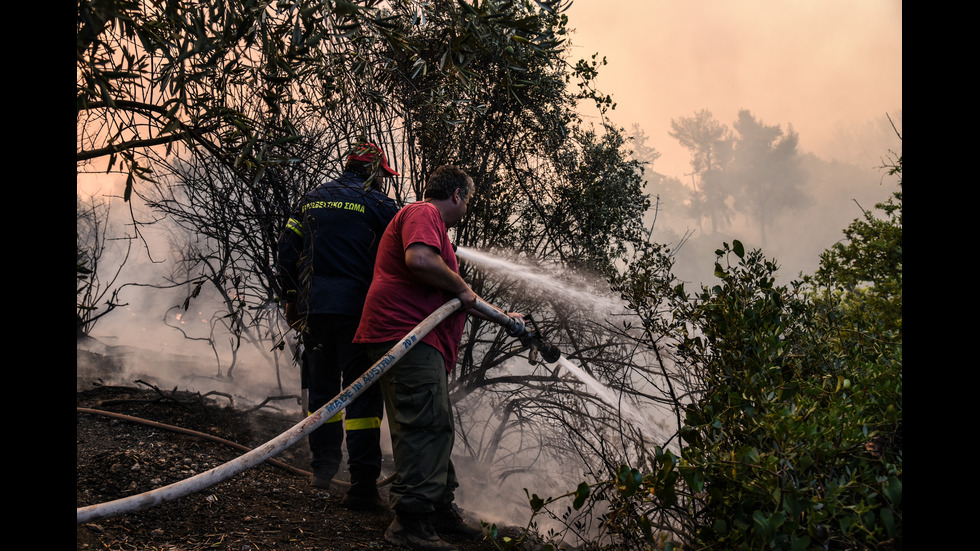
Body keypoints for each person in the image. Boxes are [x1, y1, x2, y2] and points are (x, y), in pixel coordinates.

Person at [353, 165, 524, 551]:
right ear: (458, 196)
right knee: (424, 425)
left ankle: (438, 510)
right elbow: (420, 262)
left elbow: (456, 300)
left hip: (416, 340)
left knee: (437, 424)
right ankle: (410, 524)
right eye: (469, 200)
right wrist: (463, 288)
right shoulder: (423, 213)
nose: (468, 208)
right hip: (406, 336)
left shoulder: (435, 235)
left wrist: (505, 318)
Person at [276, 141, 400, 511]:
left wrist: (291, 298)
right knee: (362, 394)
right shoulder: (380, 205)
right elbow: (403, 250)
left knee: (323, 392)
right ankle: (362, 486)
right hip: (357, 314)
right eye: (382, 175)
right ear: (375, 172)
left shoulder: (311, 198)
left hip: (314, 310)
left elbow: (287, 250)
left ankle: (322, 473)